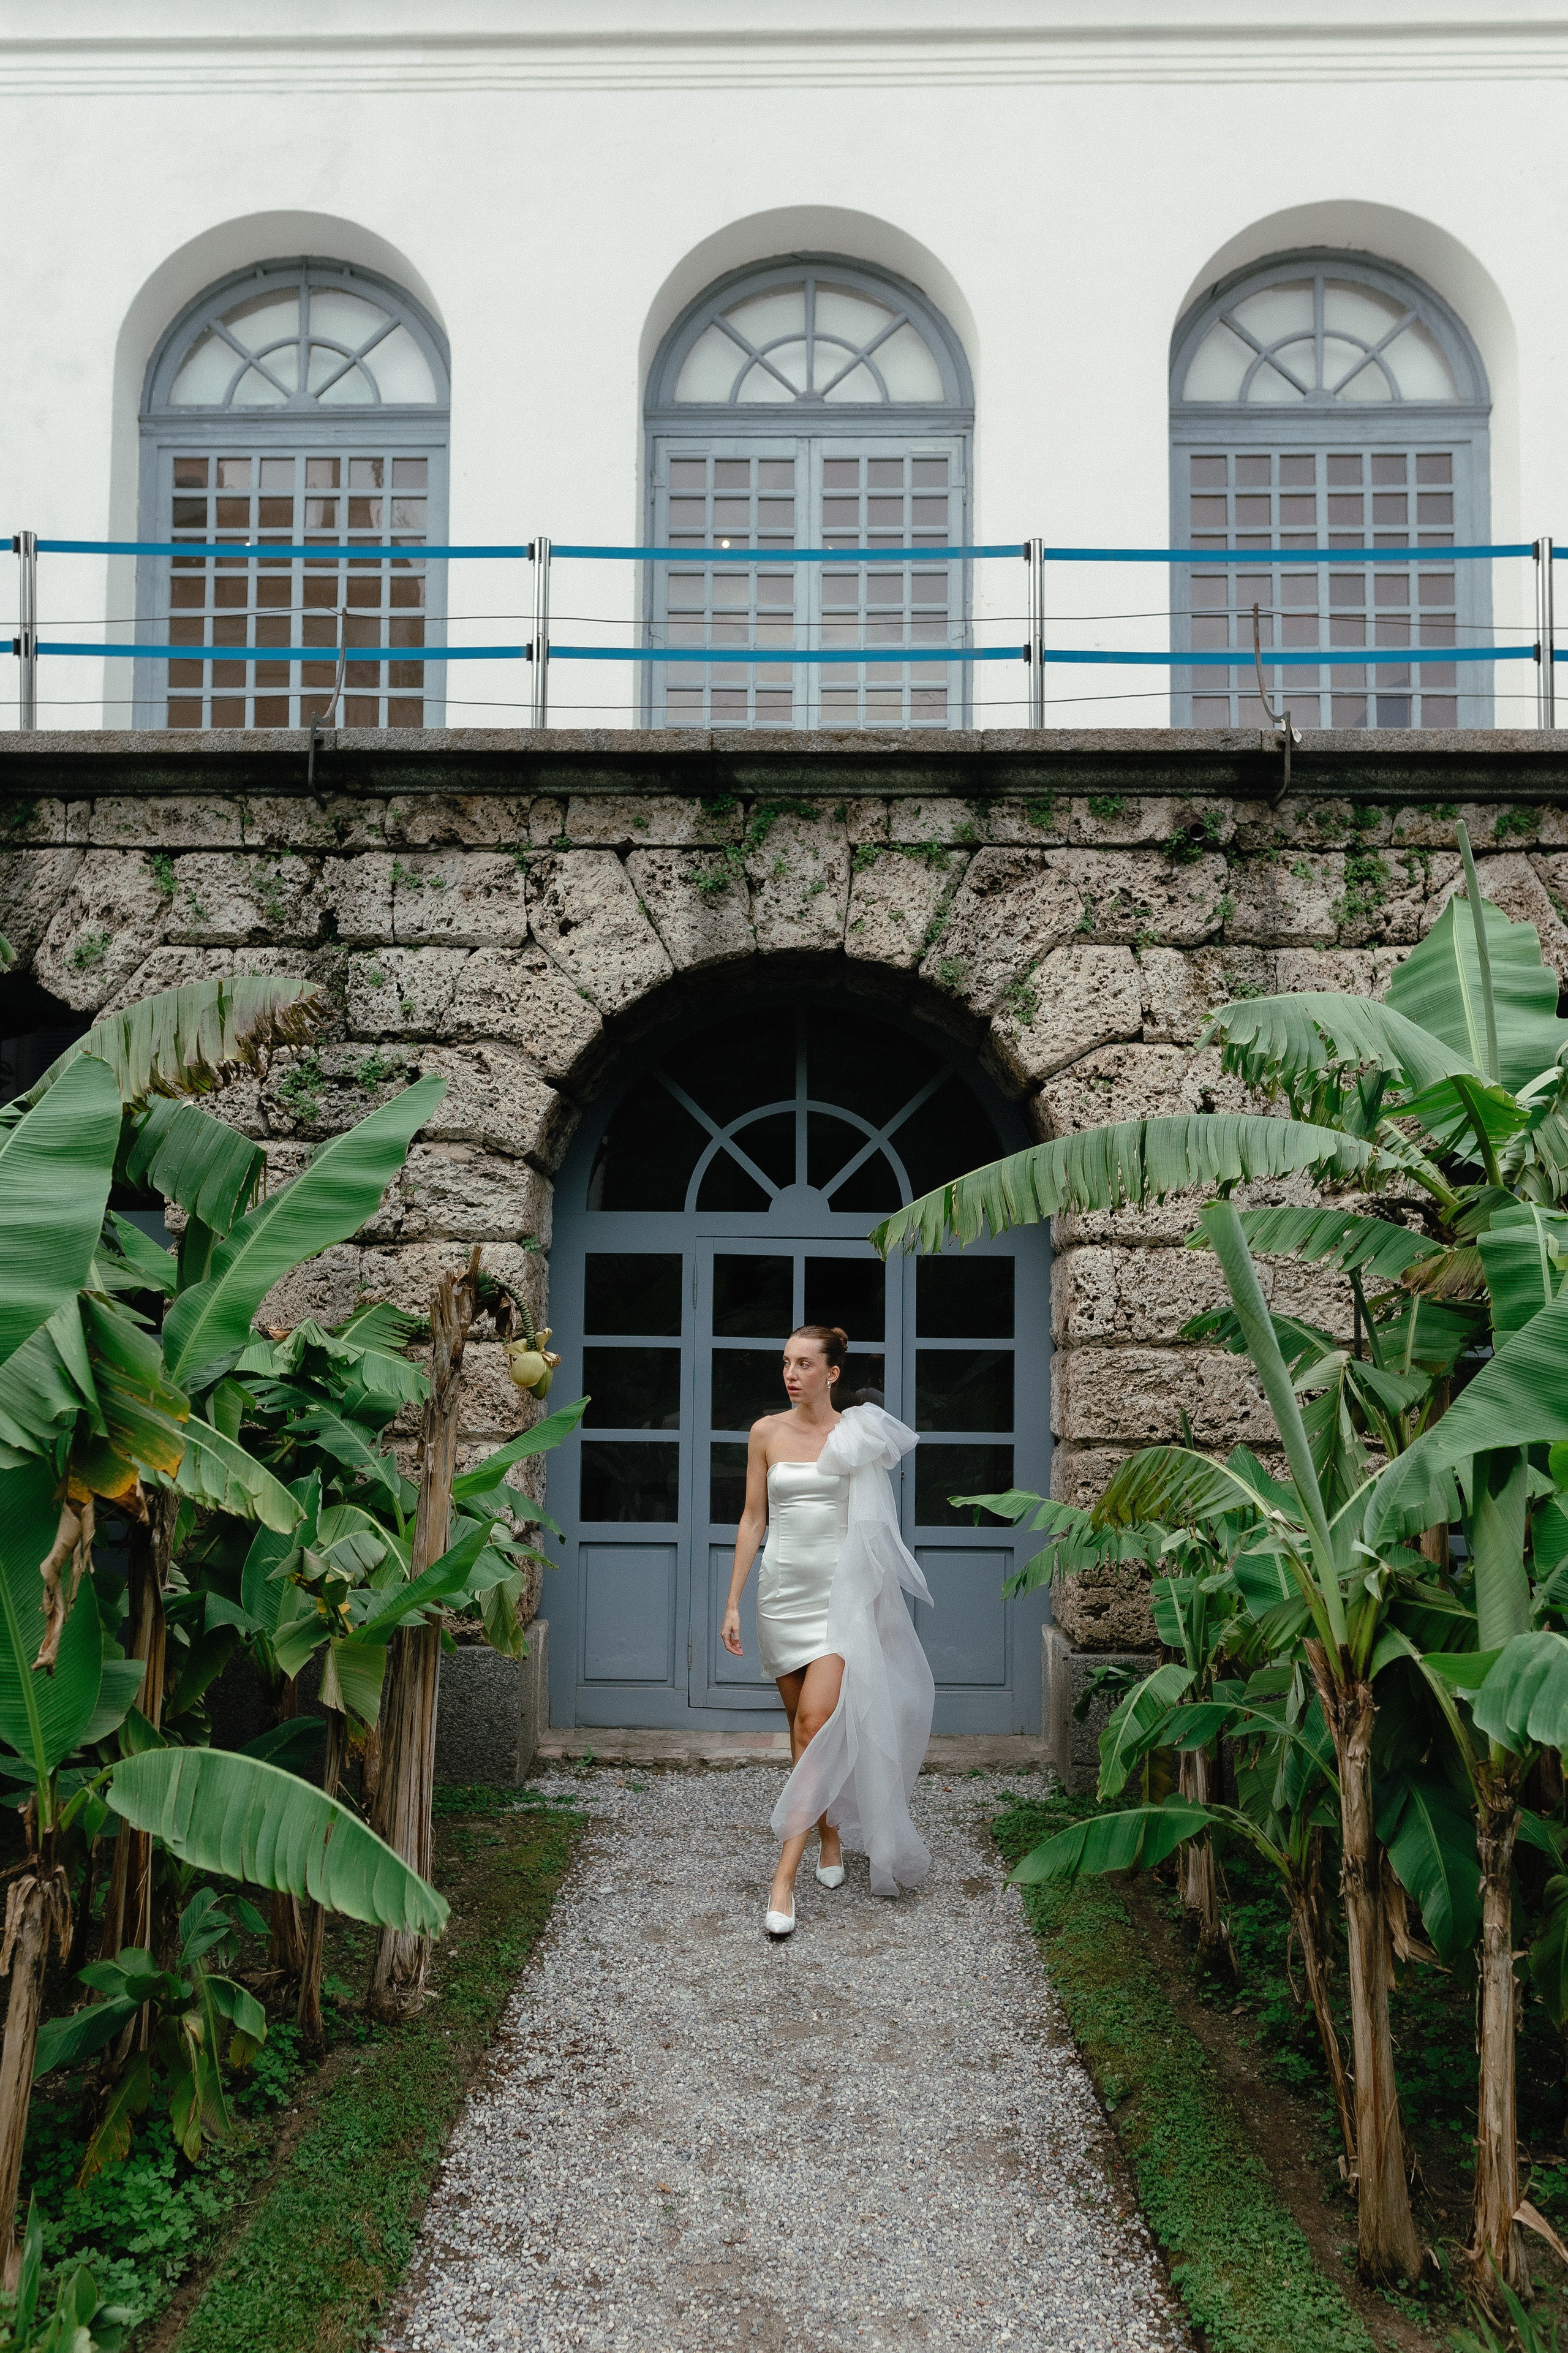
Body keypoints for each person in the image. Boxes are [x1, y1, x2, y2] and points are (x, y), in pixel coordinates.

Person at [721, 1323, 935, 1940]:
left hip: (838, 1605)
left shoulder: (857, 1434)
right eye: (786, 1362)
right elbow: (752, 1516)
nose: (792, 1374)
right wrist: (732, 1601)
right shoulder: (765, 1432)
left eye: (805, 1364)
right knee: (800, 1730)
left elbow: (872, 1533)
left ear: (833, 1373)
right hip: (780, 1596)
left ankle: (781, 1880)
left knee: (815, 1723)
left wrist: (868, 1607)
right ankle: (829, 1832)